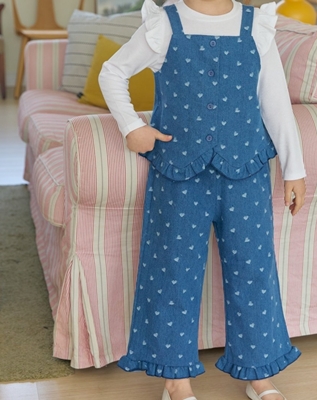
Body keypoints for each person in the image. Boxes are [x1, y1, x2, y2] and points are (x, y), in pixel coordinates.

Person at [99, 0, 306, 399]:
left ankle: (259, 374)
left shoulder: (256, 26)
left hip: (246, 174)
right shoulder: (164, 25)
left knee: (254, 271)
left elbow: (276, 103)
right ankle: (176, 381)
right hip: (179, 176)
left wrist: (293, 168)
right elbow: (113, 71)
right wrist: (131, 126)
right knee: (172, 273)